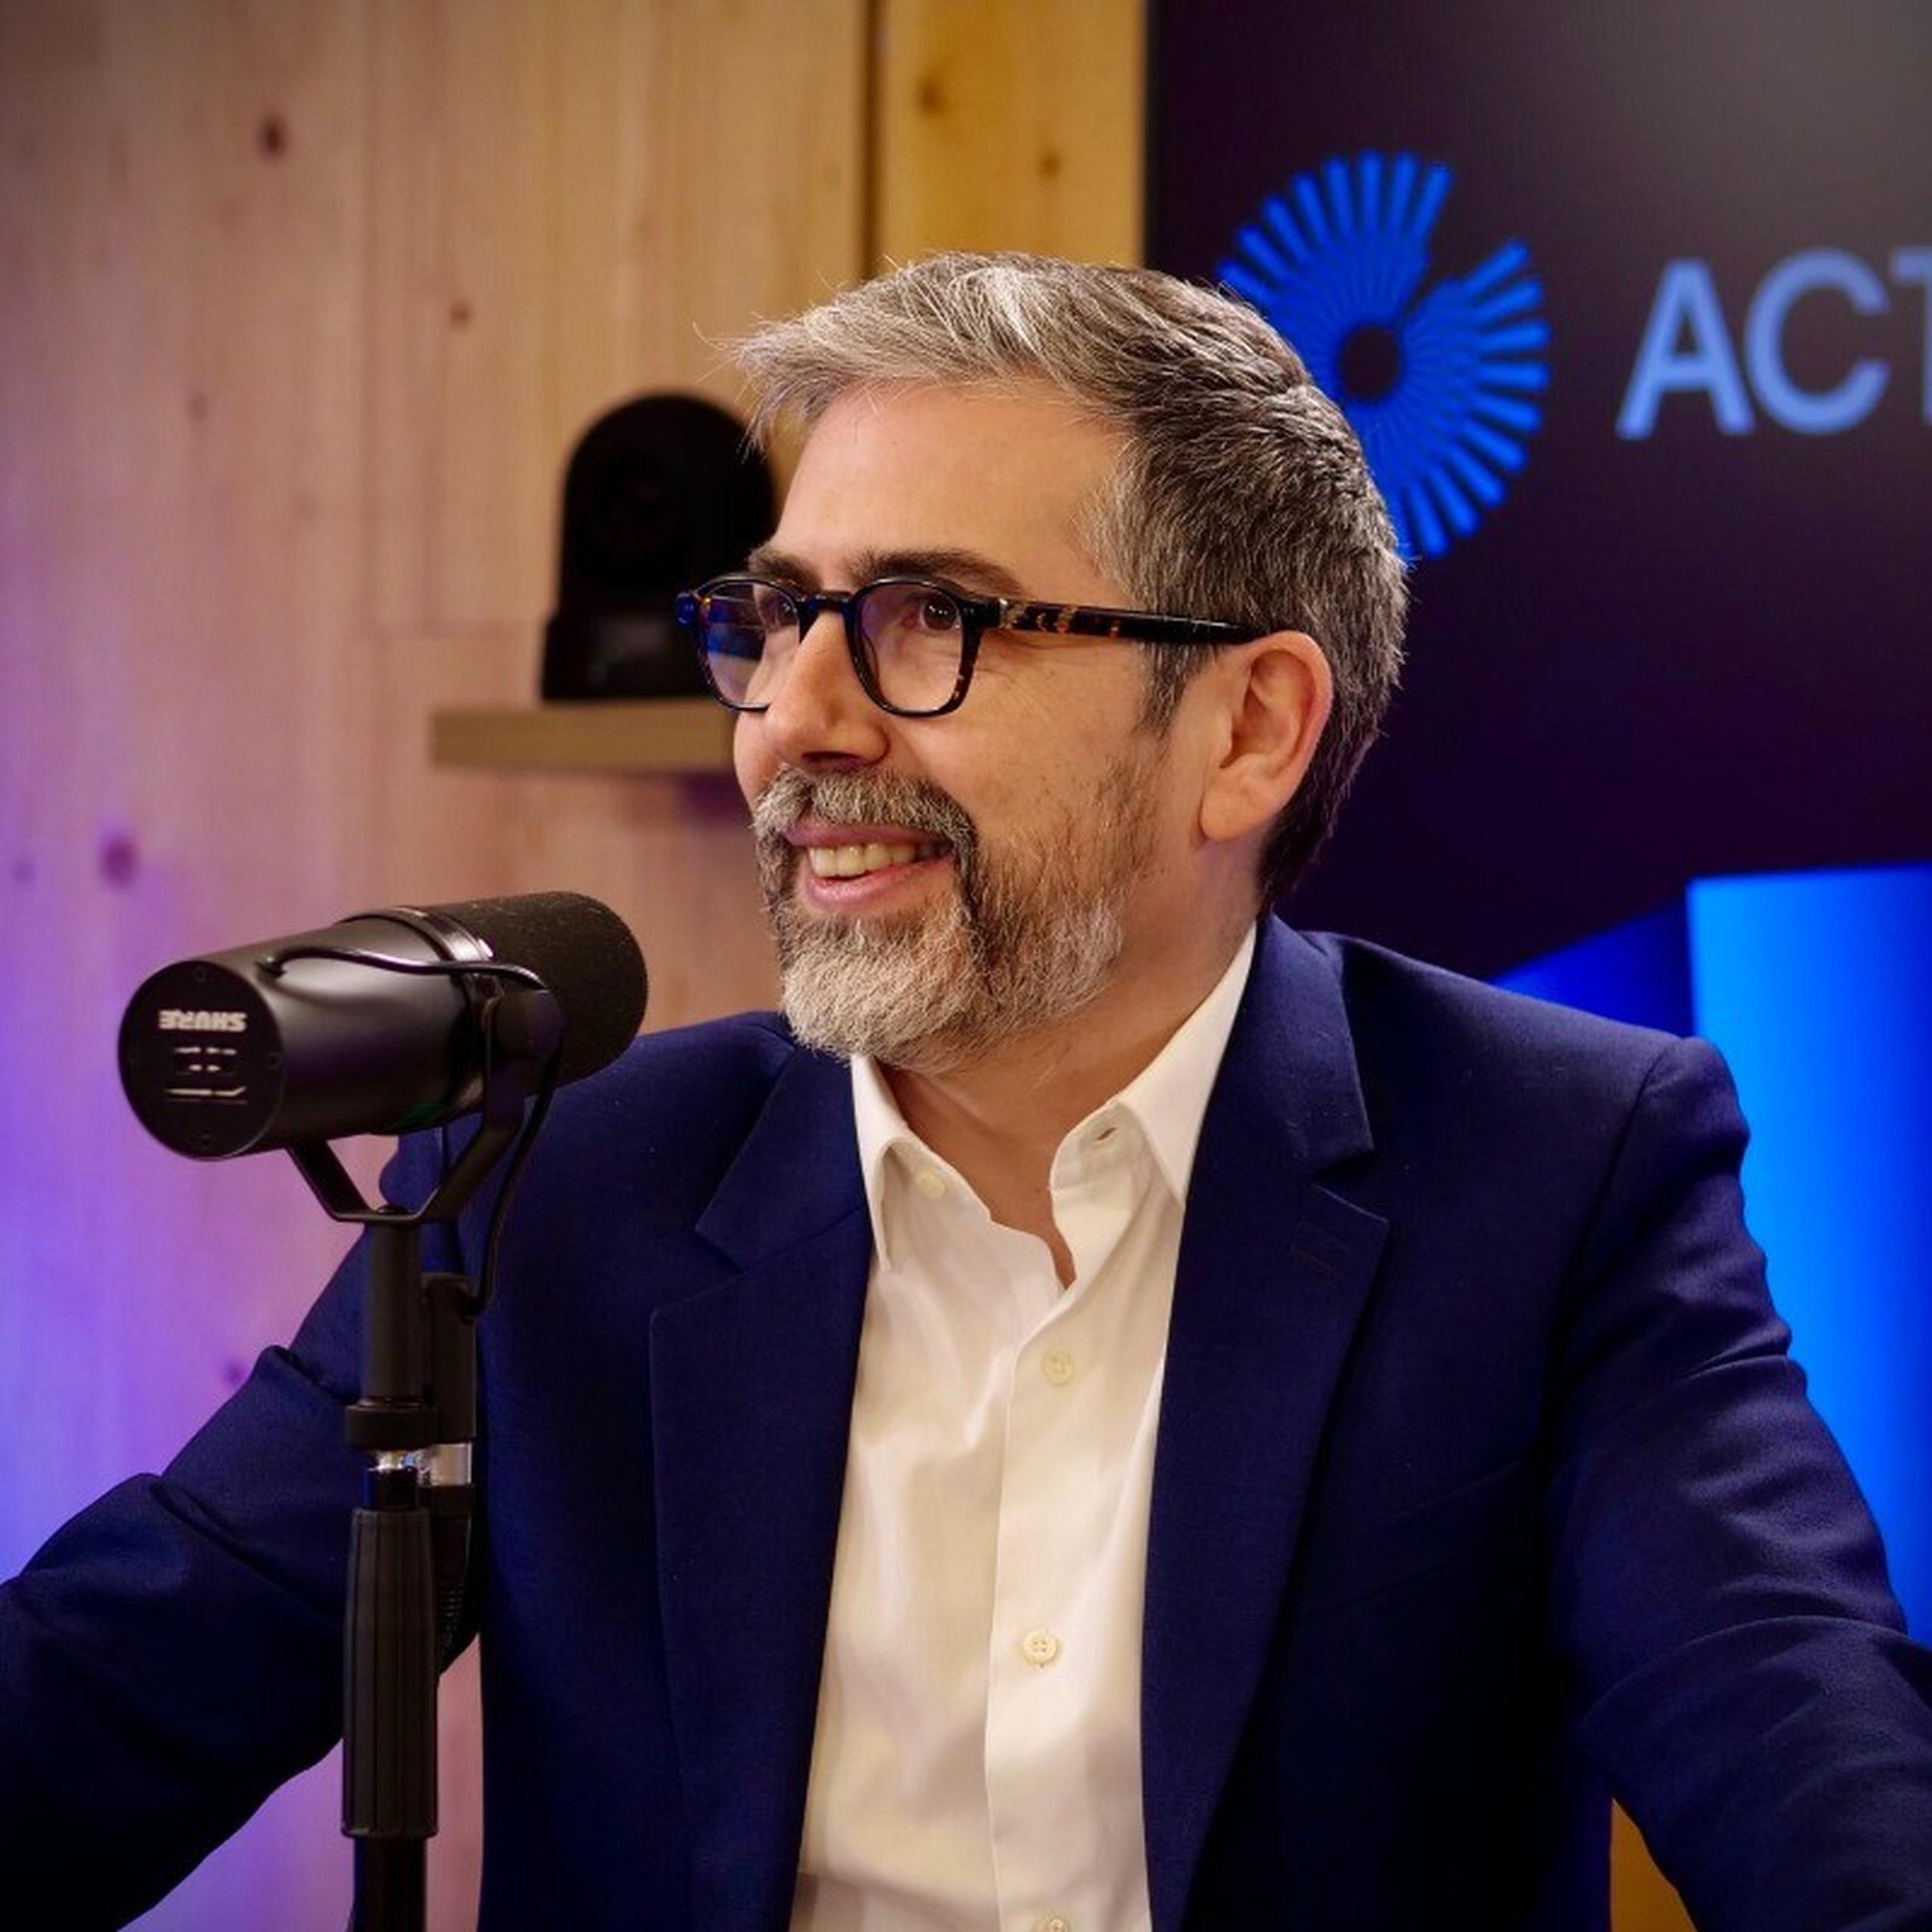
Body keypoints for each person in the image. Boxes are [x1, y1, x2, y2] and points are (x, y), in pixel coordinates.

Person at [4, 253, 1930, 1930]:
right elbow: (117, 1682)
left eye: (931, 617)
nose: (794, 725)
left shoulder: (1555, 1168)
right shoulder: (553, 1179)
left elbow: (1792, 1739)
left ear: (1244, 728)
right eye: (775, 617)